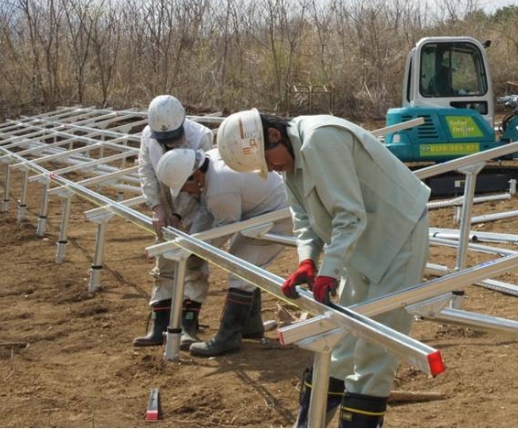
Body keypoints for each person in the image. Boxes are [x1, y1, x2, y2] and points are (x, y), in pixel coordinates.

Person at [216, 109, 430, 428]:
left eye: (269, 160)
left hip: (397, 233)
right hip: (356, 242)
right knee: (341, 340)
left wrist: (329, 269)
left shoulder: (320, 140)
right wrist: (308, 260)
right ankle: (308, 423)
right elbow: (304, 219)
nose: (273, 168)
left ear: (274, 135)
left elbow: (349, 214)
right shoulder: (290, 159)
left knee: (376, 345)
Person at [155, 147, 292, 357]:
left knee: (240, 268)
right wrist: (192, 242)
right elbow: (205, 210)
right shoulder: (209, 166)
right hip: (260, 210)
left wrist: (196, 251)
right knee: (243, 265)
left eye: (186, 187)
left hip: (277, 217)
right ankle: (251, 325)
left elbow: (224, 228)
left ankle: (228, 338)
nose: (188, 193)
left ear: (195, 174)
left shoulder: (221, 187)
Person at [133, 95, 214, 350]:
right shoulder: (148, 135)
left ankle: (189, 323)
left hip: (196, 203)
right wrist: (157, 208)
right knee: (165, 257)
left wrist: (181, 214)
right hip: (165, 198)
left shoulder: (200, 136)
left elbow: (203, 184)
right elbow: (145, 171)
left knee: (194, 260)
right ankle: (160, 323)